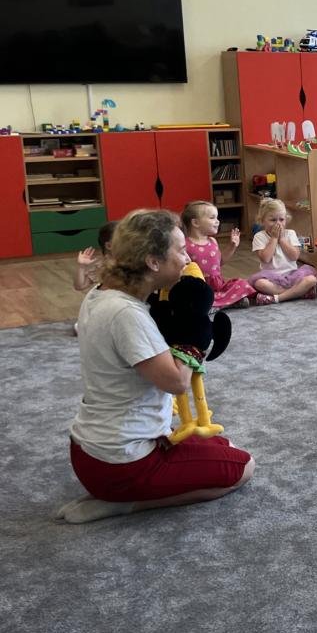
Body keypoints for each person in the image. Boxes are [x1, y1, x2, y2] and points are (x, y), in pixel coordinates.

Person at [56, 208, 254, 525]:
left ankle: (120, 491)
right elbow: (176, 382)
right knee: (243, 468)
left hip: (93, 451)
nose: (188, 258)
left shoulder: (101, 293)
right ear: (152, 262)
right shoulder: (126, 314)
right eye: (181, 250)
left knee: (224, 445)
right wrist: (195, 334)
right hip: (122, 463)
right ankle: (127, 503)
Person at [180, 201, 259, 308]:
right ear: (196, 223)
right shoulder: (185, 244)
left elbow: (220, 262)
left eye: (217, 218)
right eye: (212, 218)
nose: (217, 221)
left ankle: (215, 303)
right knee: (192, 297)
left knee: (242, 283)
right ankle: (225, 302)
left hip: (218, 286)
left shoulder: (212, 241)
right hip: (199, 287)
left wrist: (232, 246)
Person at [249, 197, 317, 303]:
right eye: (273, 220)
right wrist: (274, 238)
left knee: (312, 280)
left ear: (286, 219)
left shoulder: (290, 234)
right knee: (260, 284)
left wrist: (281, 239)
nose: (278, 223)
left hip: (293, 275)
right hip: (271, 278)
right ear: (262, 221)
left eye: (281, 219)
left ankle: (279, 297)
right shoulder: (259, 236)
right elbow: (266, 259)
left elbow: (294, 256)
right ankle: (298, 292)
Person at [73, 221, 118, 292]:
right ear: (109, 245)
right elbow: (80, 286)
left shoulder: (130, 262)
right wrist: (82, 266)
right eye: (124, 240)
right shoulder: (100, 266)